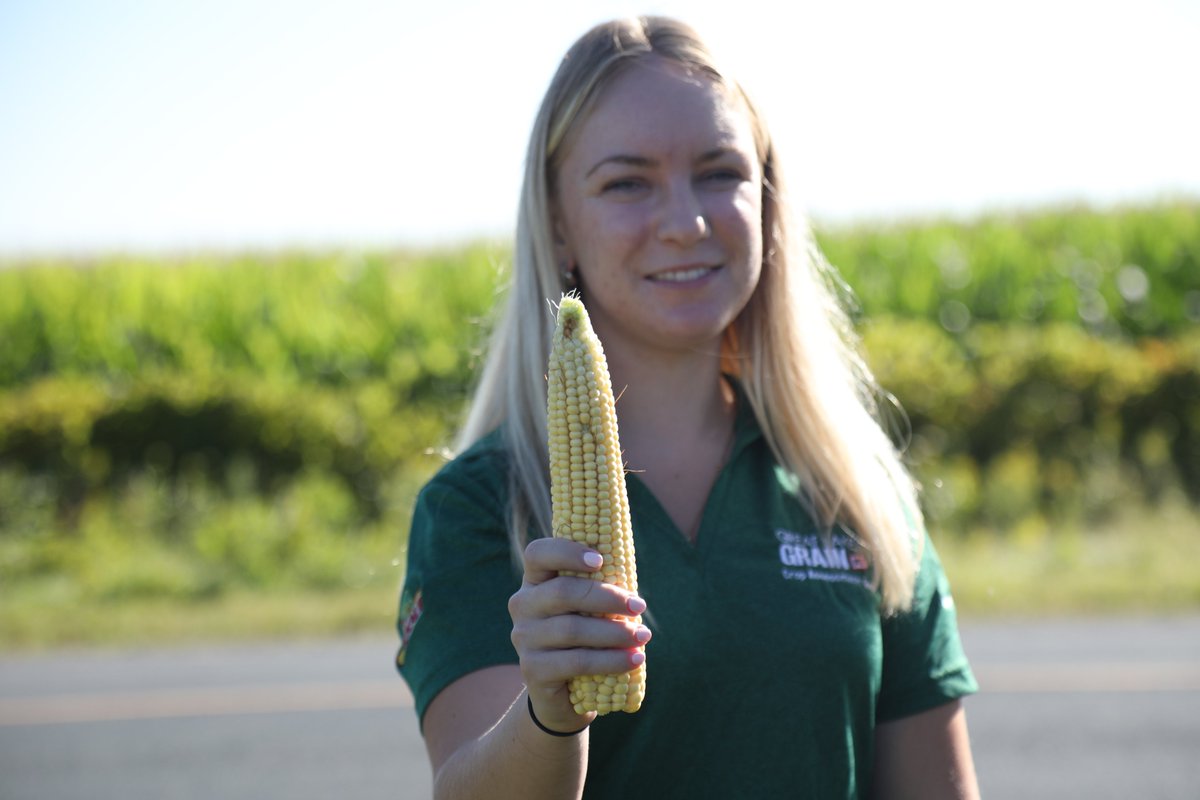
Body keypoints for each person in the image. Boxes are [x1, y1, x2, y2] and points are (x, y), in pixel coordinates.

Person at [395, 15, 981, 799]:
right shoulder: (479, 506)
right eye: (628, 182)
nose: (686, 223)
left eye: (719, 172)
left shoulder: (855, 491)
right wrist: (548, 714)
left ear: (767, 200)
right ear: (559, 222)